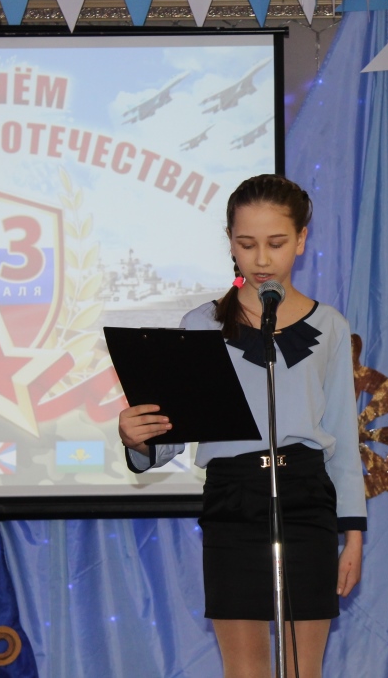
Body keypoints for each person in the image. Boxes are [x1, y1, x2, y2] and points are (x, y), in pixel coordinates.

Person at [119, 174, 366, 678]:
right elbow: (171, 434)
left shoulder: (331, 326)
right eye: (247, 244)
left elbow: (343, 439)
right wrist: (136, 439)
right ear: (230, 242)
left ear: (301, 239)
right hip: (233, 499)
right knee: (245, 670)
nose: (261, 259)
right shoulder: (201, 325)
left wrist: (354, 535)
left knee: (303, 669)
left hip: (306, 498)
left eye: (276, 243)